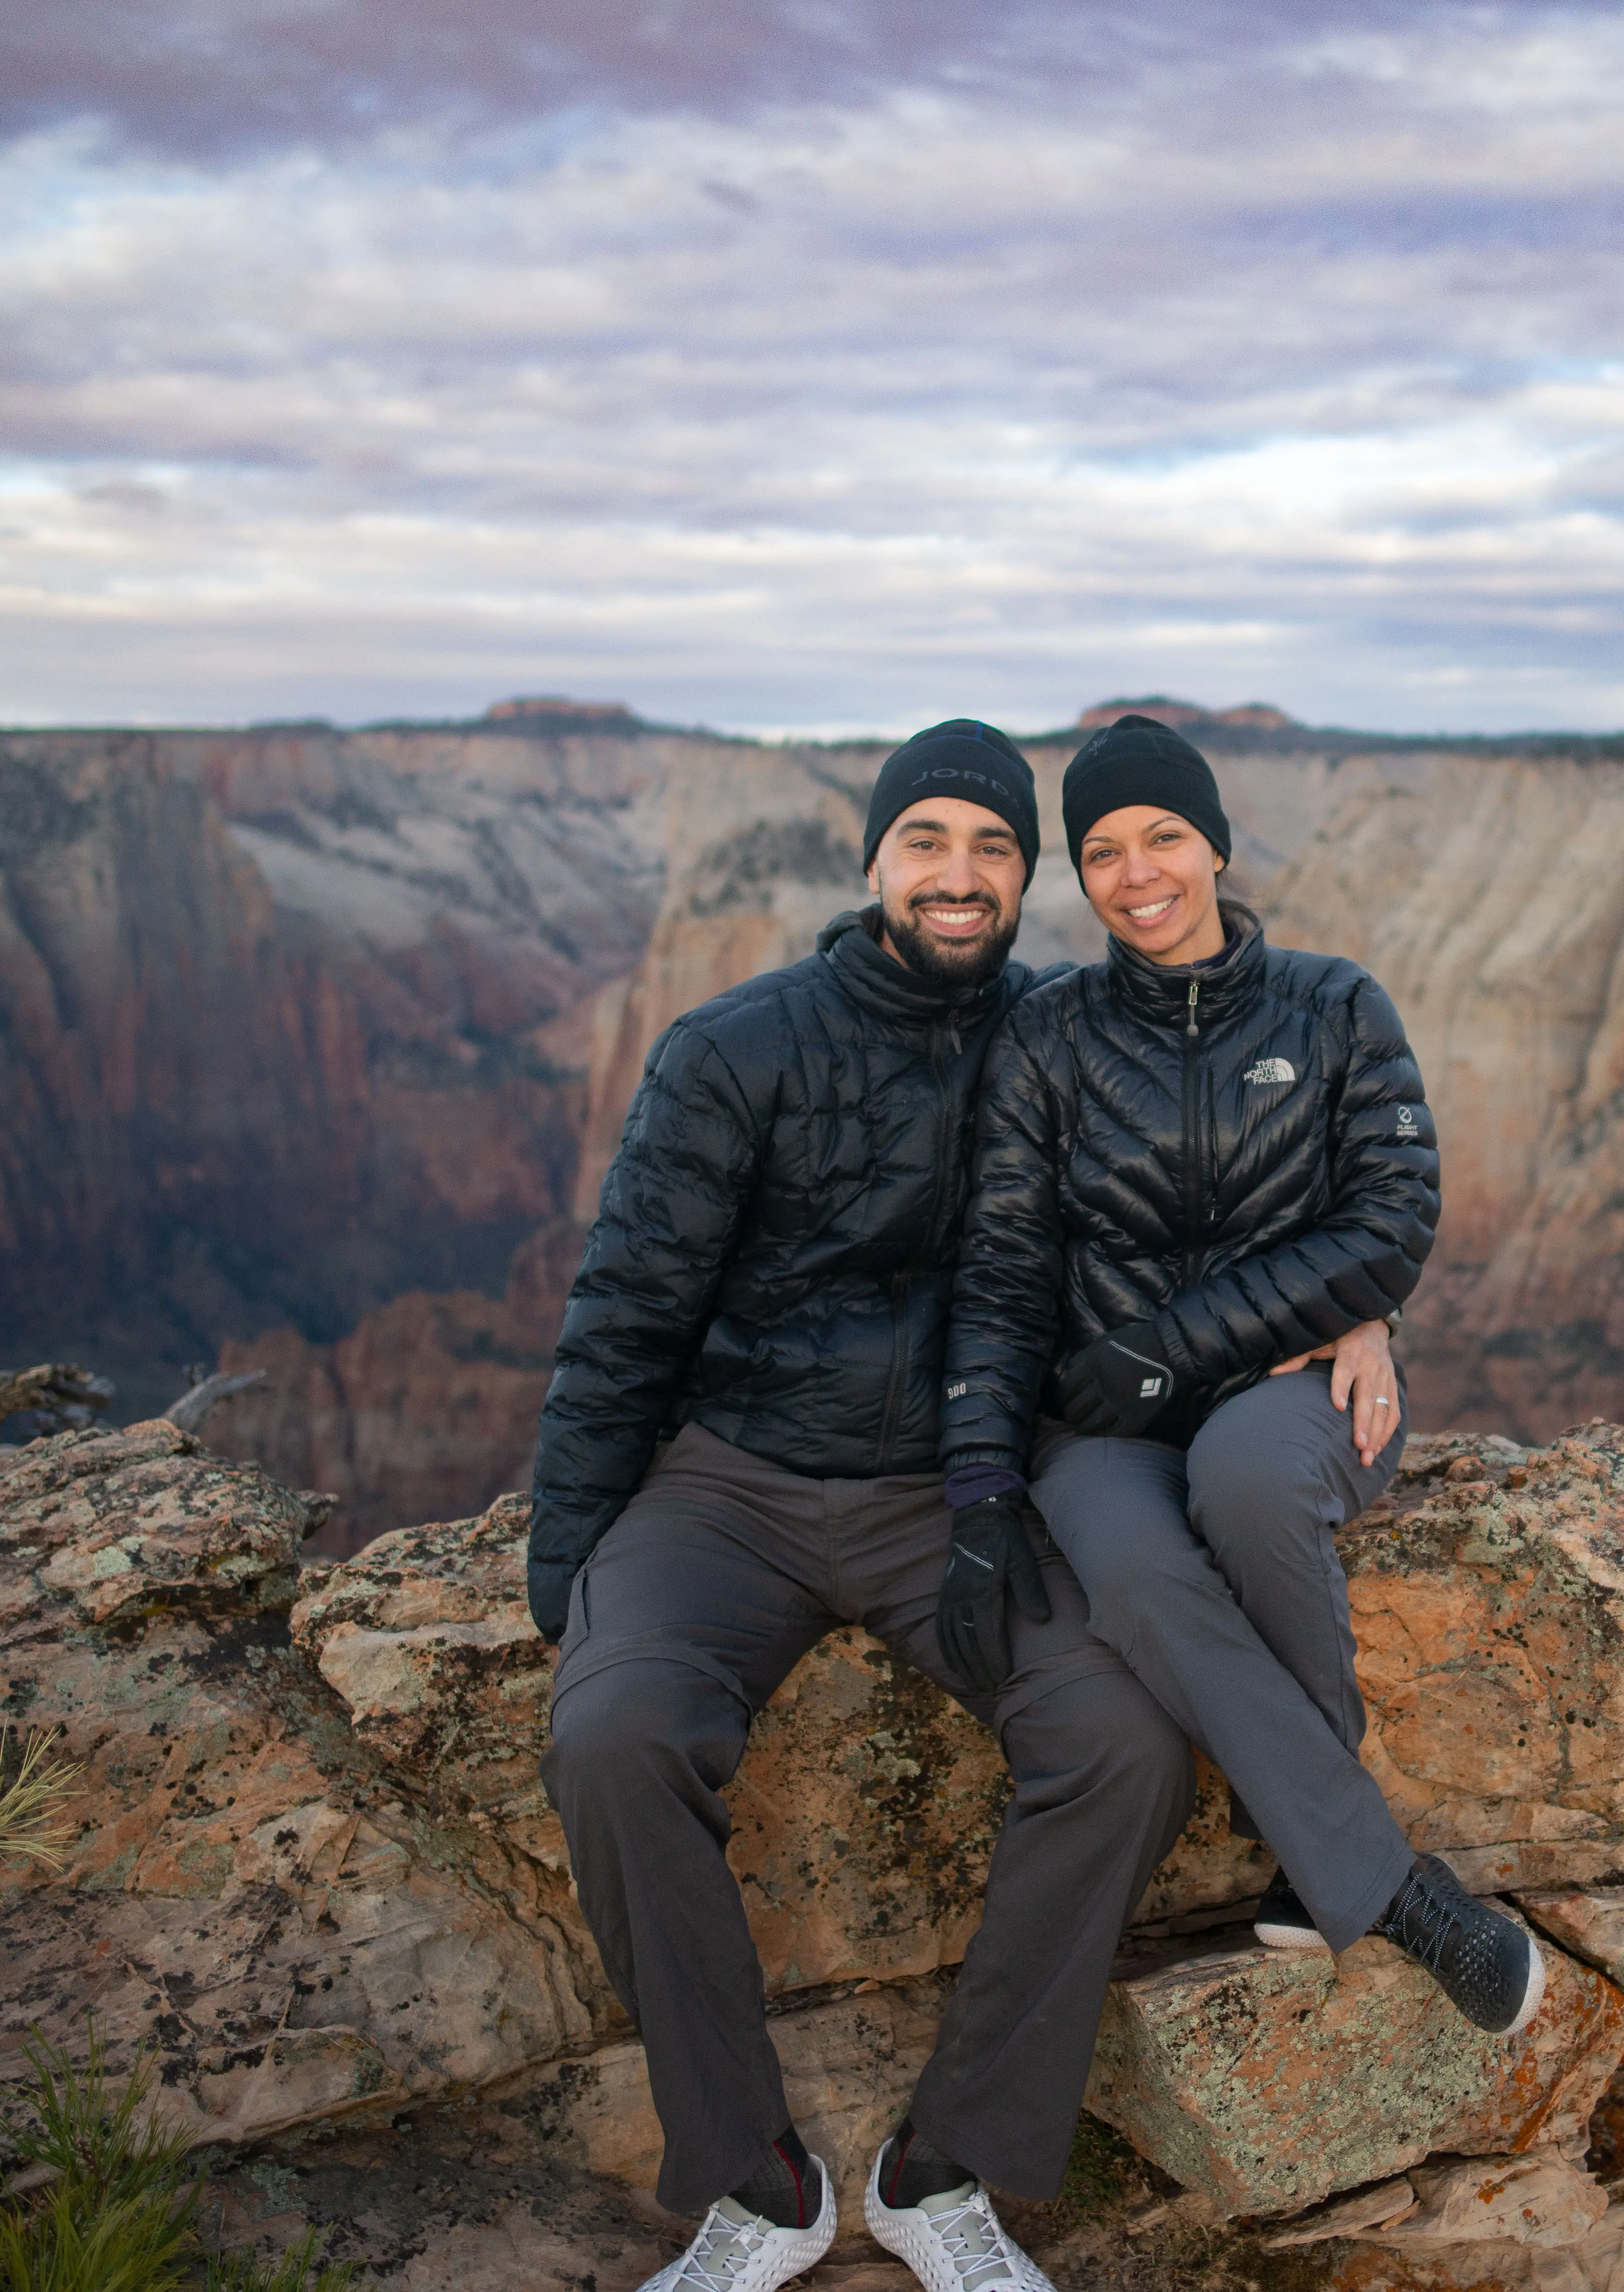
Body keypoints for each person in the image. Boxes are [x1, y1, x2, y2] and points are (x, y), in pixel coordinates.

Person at [530, 720, 1194, 2292]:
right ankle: (754, 2182)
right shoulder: (734, 1047)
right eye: (928, 841)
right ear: (875, 857)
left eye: (992, 850)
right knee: (613, 1737)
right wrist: (568, 1566)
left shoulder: (1069, 1037)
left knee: (1122, 1745)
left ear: (1026, 880)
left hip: (959, 1497)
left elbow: (1231, 1196)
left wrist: (1358, 1316)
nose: (957, 878)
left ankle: (941, 2166)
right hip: (729, 1488)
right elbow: (625, 1309)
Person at [936, 713, 1546, 2045]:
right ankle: (1381, 1884)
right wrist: (982, 1474)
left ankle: (1327, 1855)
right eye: (1101, 851)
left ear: (1213, 845)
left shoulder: (1334, 1007)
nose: (1137, 872)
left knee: (1249, 1479)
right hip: (1093, 1417)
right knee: (1136, 1569)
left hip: (1286, 1389)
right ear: (1079, 879)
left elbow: (1390, 1219)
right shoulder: (1048, 1036)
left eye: (1162, 836)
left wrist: (1205, 1337)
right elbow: (997, 1265)